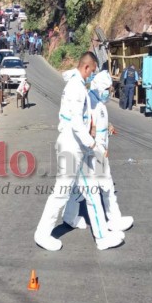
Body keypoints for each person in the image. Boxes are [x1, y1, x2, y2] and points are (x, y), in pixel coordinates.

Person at [34, 52, 122, 251]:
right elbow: (75, 123)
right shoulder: (76, 88)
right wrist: (92, 144)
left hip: (75, 146)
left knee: (83, 192)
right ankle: (43, 233)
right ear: (87, 68)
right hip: (73, 146)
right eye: (92, 71)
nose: (92, 76)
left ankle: (99, 235)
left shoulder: (76, 85)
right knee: (66, 193)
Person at [63, 70, 133, 241]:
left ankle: (74, 216)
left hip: (98, 150)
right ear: (100, 87)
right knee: (98, 187)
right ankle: (108, 222)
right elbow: (87, 127)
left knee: (91, 187)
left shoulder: (98, 102)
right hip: (93, 152)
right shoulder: (90, 102)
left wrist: (108, 126)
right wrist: (97, 148)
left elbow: (98, 124)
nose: (110, 91)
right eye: (108, 88)